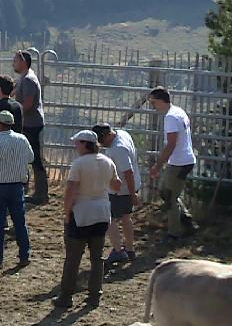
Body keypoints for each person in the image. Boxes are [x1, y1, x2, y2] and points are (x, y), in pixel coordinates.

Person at [55, 130, 121, 308]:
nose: (75, 146)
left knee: (73, 258)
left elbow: (71, 191)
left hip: (82, 212)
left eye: (77, 143)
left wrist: (67, 212)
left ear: (85, 144)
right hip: (102, 211)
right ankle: (94, 294)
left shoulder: (79, 164)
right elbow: (116, 184)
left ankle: (66, 296)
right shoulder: (108, 161)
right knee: (97, 256)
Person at [0, 110, 33, 269]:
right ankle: (24, 255)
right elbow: (30, 158)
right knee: (19, 222)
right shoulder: (22, 139)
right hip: (17, 186)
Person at [147, 87, 198, 240]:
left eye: (153, 102)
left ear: (161, 101)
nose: (153, 106)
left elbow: (171, 144)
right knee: (165, 191)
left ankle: (174, 233)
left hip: (179, 162)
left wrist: (157, 165)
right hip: (184, 160)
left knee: (170, 197)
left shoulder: (170, 117)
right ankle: (186, 219)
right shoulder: (178, 111)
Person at [93, 123, 141, 263]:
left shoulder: (118, 149)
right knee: (126, 217)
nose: (101, 145)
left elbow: (128, 172)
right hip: (130, 186)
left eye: (102, 141)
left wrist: (132, 195)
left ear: (108, 136)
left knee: (109, 219)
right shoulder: (122, 134)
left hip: (121, 189)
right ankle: (130, 249)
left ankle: (118, 251)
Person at [15, 50, 48, 205]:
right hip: (29, 122)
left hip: (31, 124)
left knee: (34, 158)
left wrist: (14, 112)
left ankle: (41, 193)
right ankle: (32, 189)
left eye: (15, 60)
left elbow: (28, 103)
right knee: (26, 156)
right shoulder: (24, 78)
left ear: (23, 61)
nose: (13, 64)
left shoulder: (28, 80)